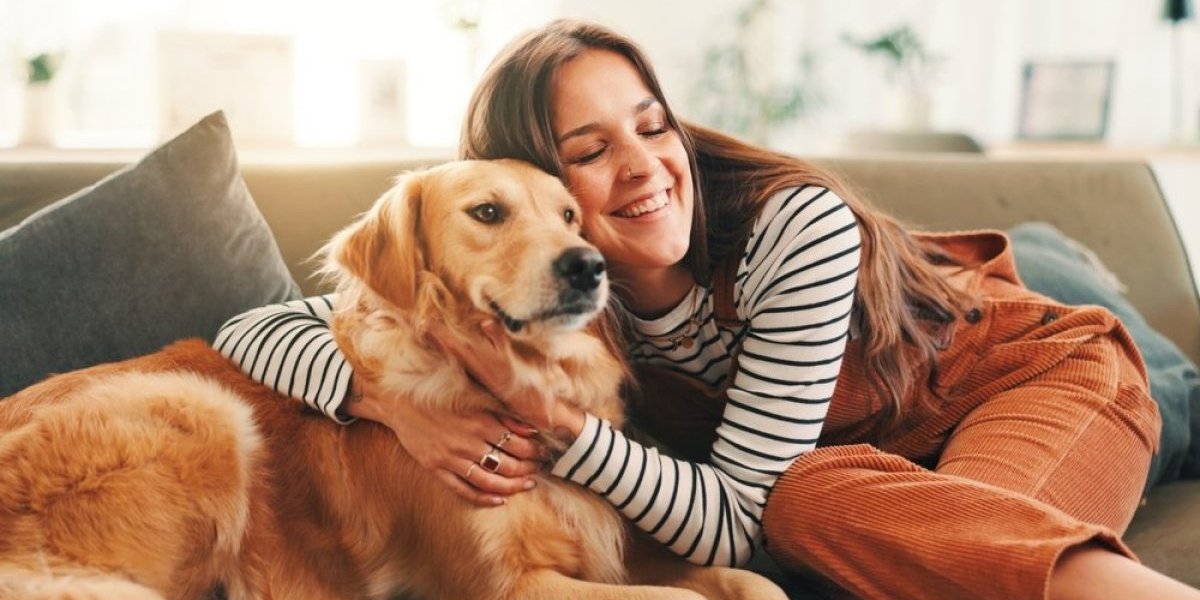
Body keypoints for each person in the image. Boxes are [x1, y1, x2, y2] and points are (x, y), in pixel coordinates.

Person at [213, 19, 1200, 600]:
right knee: (821, 503)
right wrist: (393, 405)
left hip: (1019, 386)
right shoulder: (536, 286)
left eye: (652, 126)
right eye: (591, 151)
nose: (644, 165)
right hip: (866, 472)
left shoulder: (792, 226)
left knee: (833, 513)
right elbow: (256, 328)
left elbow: (735, 522)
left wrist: (561, 430)